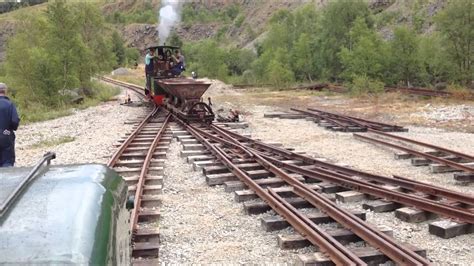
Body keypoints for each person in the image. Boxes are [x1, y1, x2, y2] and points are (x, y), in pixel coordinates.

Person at [0, 83, 20, 167]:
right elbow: (15, 121)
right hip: (6, 135)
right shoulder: (10, 105)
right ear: (5, 91)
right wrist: (11, 129)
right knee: (7, 163)